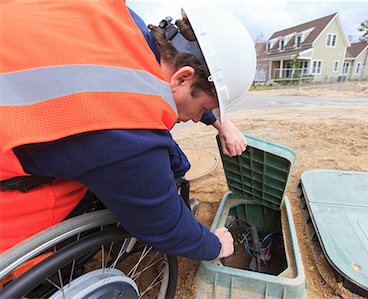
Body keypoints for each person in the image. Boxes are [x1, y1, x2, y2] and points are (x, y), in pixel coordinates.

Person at [0, 0, 256, 261]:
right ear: (182, 77)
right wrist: (215, 245)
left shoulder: (119, 20)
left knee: (169, 160)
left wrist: (220, 122)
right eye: (203, 108)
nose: (196, 118)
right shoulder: (128, 134)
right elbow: (165, 226)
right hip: (10, 193)